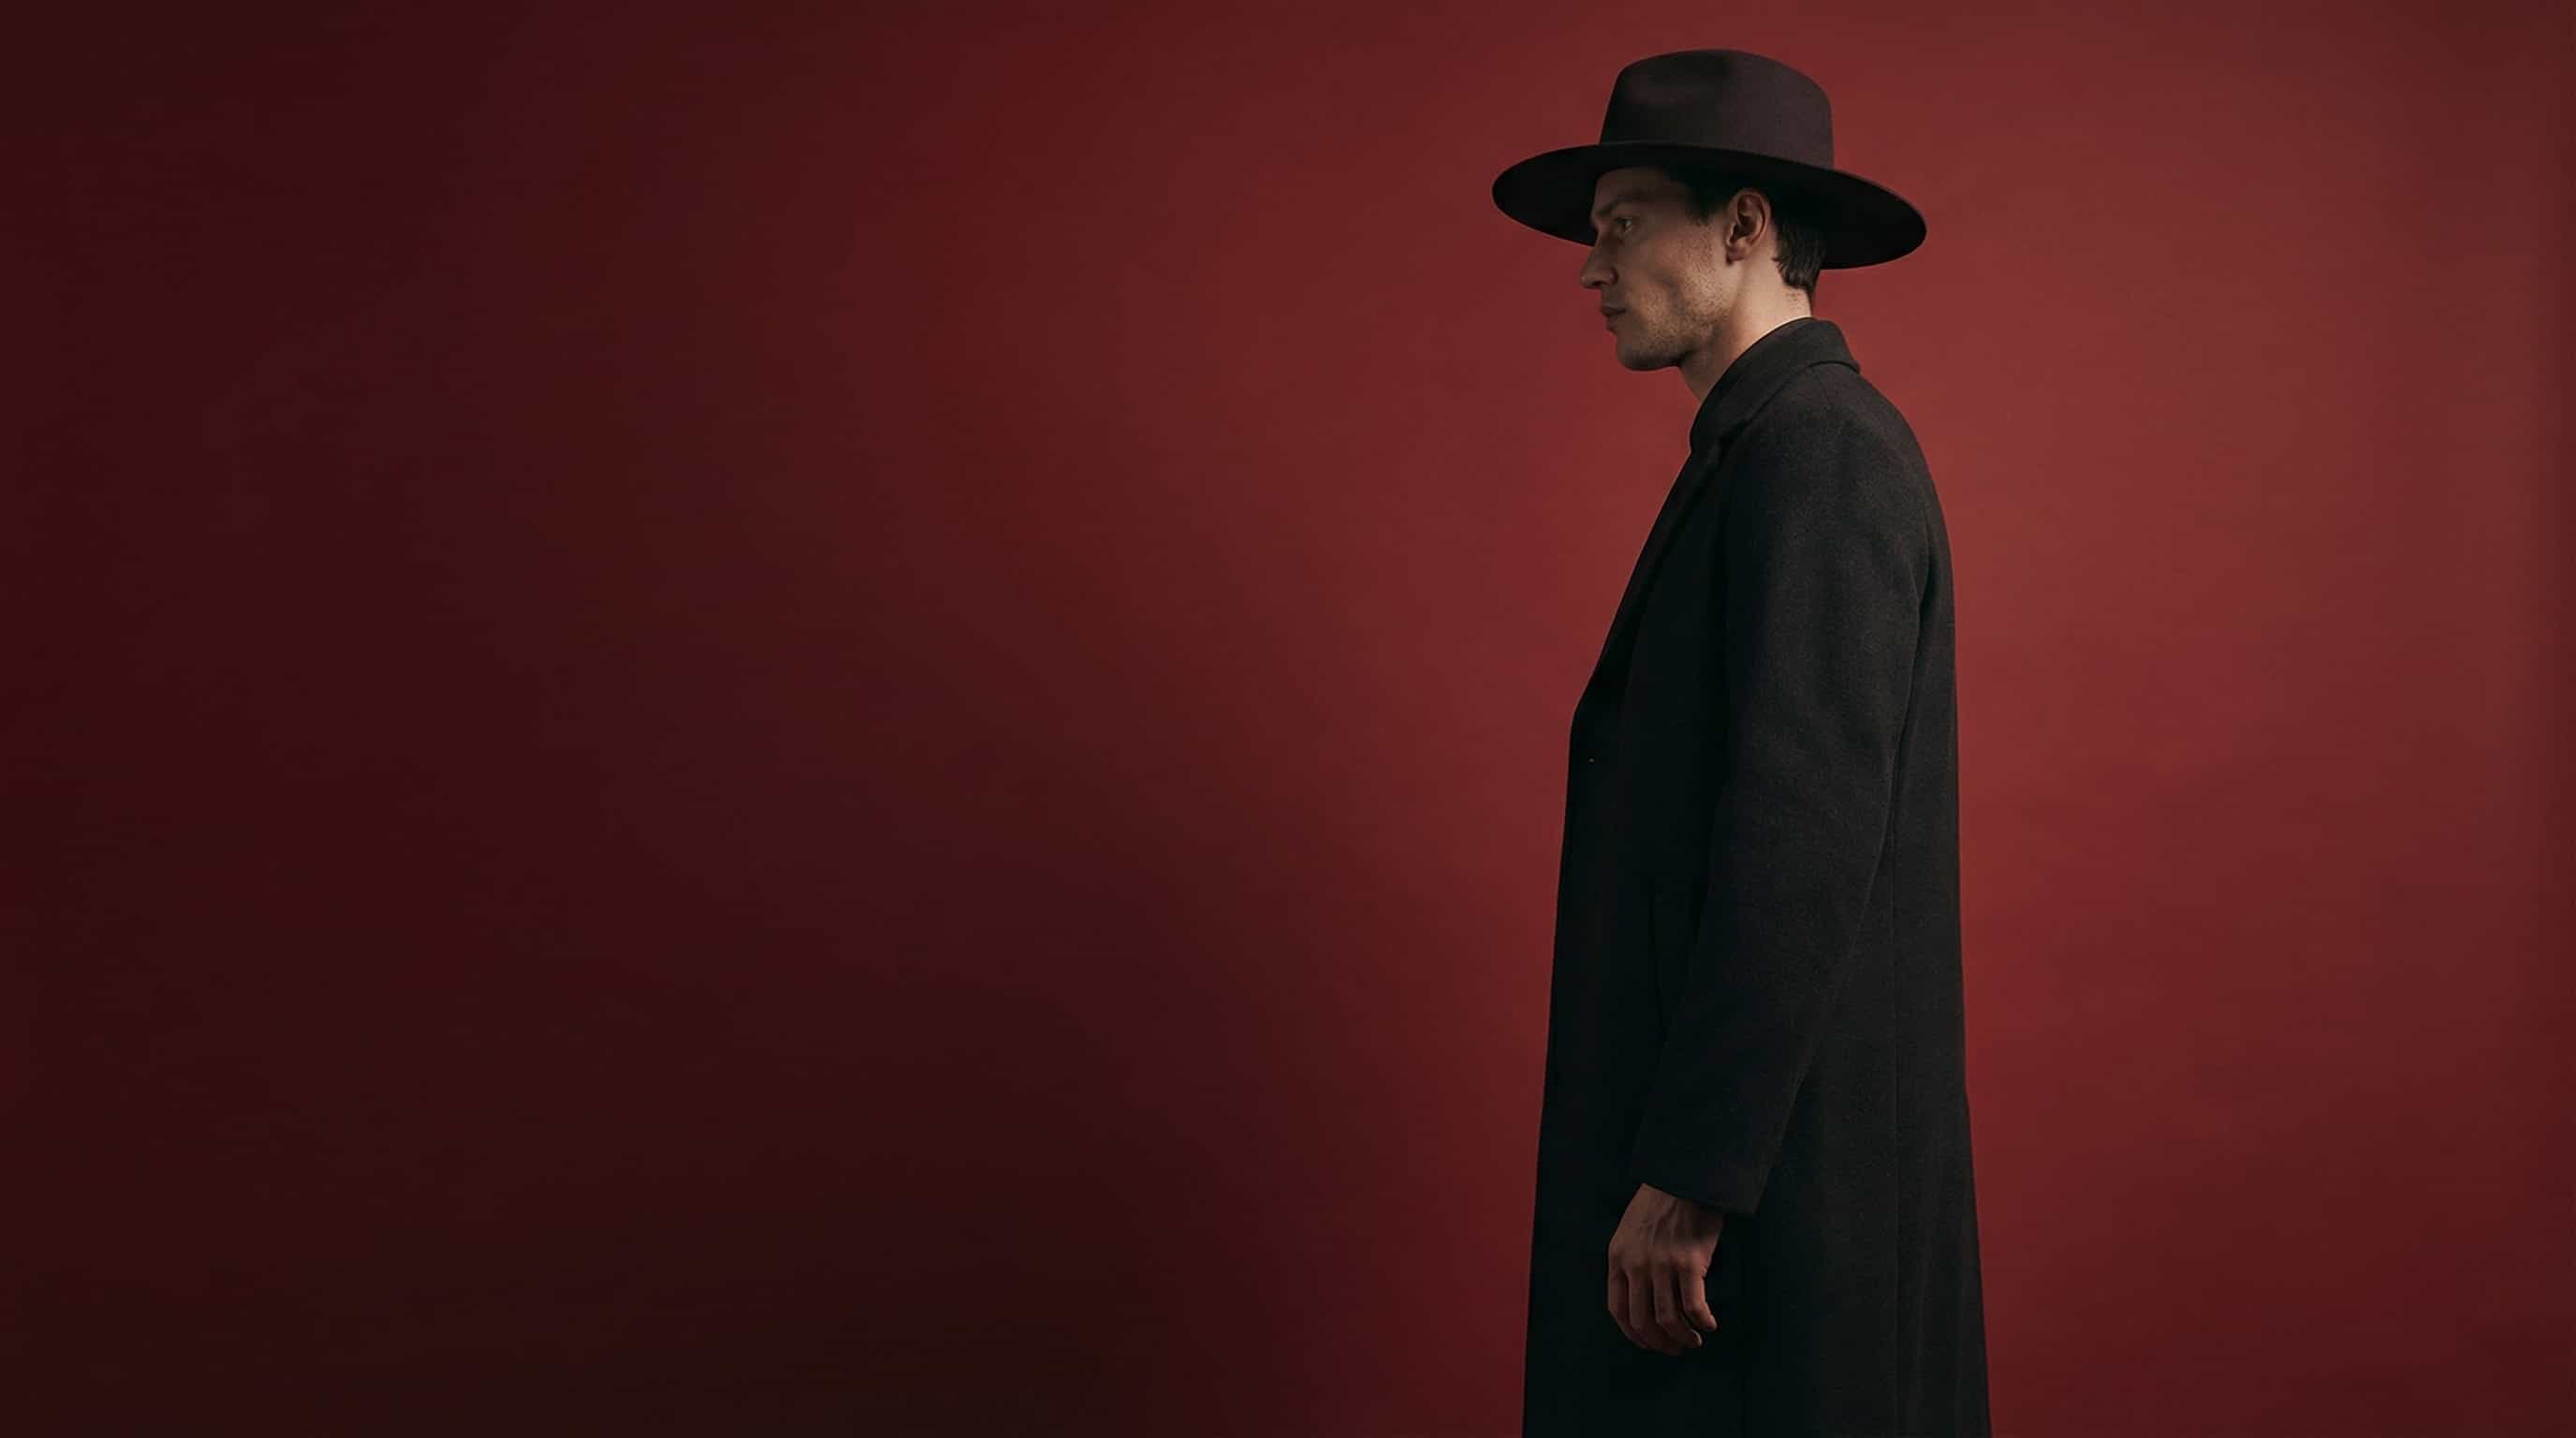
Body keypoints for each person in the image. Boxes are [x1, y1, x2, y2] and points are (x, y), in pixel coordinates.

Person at [1491, 50, 1993, 1436]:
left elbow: (1805, 841)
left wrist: (1693, 1174)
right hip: (1753, 1195)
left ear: (1744, 227)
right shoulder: (1760, 452)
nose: (1592, 268)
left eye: (1621, 222)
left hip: (1772, 1215)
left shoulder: (1820, 454)